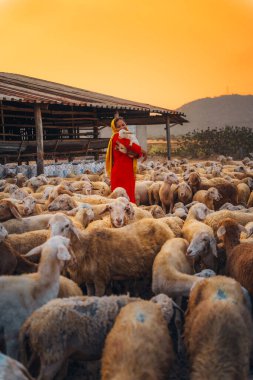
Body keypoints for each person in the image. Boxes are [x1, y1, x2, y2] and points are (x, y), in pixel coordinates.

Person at [105, 116, 147, 203]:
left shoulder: (128, 136)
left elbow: (137, 154)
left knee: (129, 196)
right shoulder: (117, 137)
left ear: (126, 125)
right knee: (120, 200)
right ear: (114, 128)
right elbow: (133, 147)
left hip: (128, 171)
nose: (122, 127)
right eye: (118, 126)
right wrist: (143, 151)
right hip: (120, 172)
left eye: (123, 125)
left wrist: (139, 151)